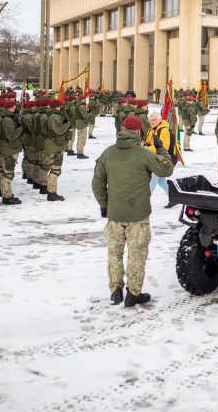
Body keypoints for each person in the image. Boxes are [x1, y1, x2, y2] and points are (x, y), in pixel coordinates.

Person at [92, 115, 174, 307]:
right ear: (138, 132)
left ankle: (116, 290)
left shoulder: (108, 153)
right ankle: (133, 293)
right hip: (138, 214)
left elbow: (97, 182)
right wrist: (162, 148)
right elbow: (166, 169)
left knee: (114, 252)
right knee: (136, 254)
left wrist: (104, 205)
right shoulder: (143, 154)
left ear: (122, 129)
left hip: (115, 213)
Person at [0, 99, 23, 205]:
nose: (15, 108)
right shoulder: (7, 120)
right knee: (8, 173)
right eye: (13, 106)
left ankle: (6, 193)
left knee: (5, 172)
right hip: (8, 148)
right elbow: (11, 136)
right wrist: (20, 128)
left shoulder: (2, 117)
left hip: (4, 147)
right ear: (9, 108)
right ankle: (7, 196)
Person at [144, 111, 174, 197]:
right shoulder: (151, 129)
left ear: (159, 120)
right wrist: (144, 145)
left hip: (160, 159)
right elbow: (146, 142)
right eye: (150, 120)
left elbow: (164, 147)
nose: (151, 122)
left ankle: (144, 201)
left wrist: (147, 148)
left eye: (154, 120)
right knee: (162, 181)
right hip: (153, 158)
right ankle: (173, 197)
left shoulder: (163, 130)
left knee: (152, 181)